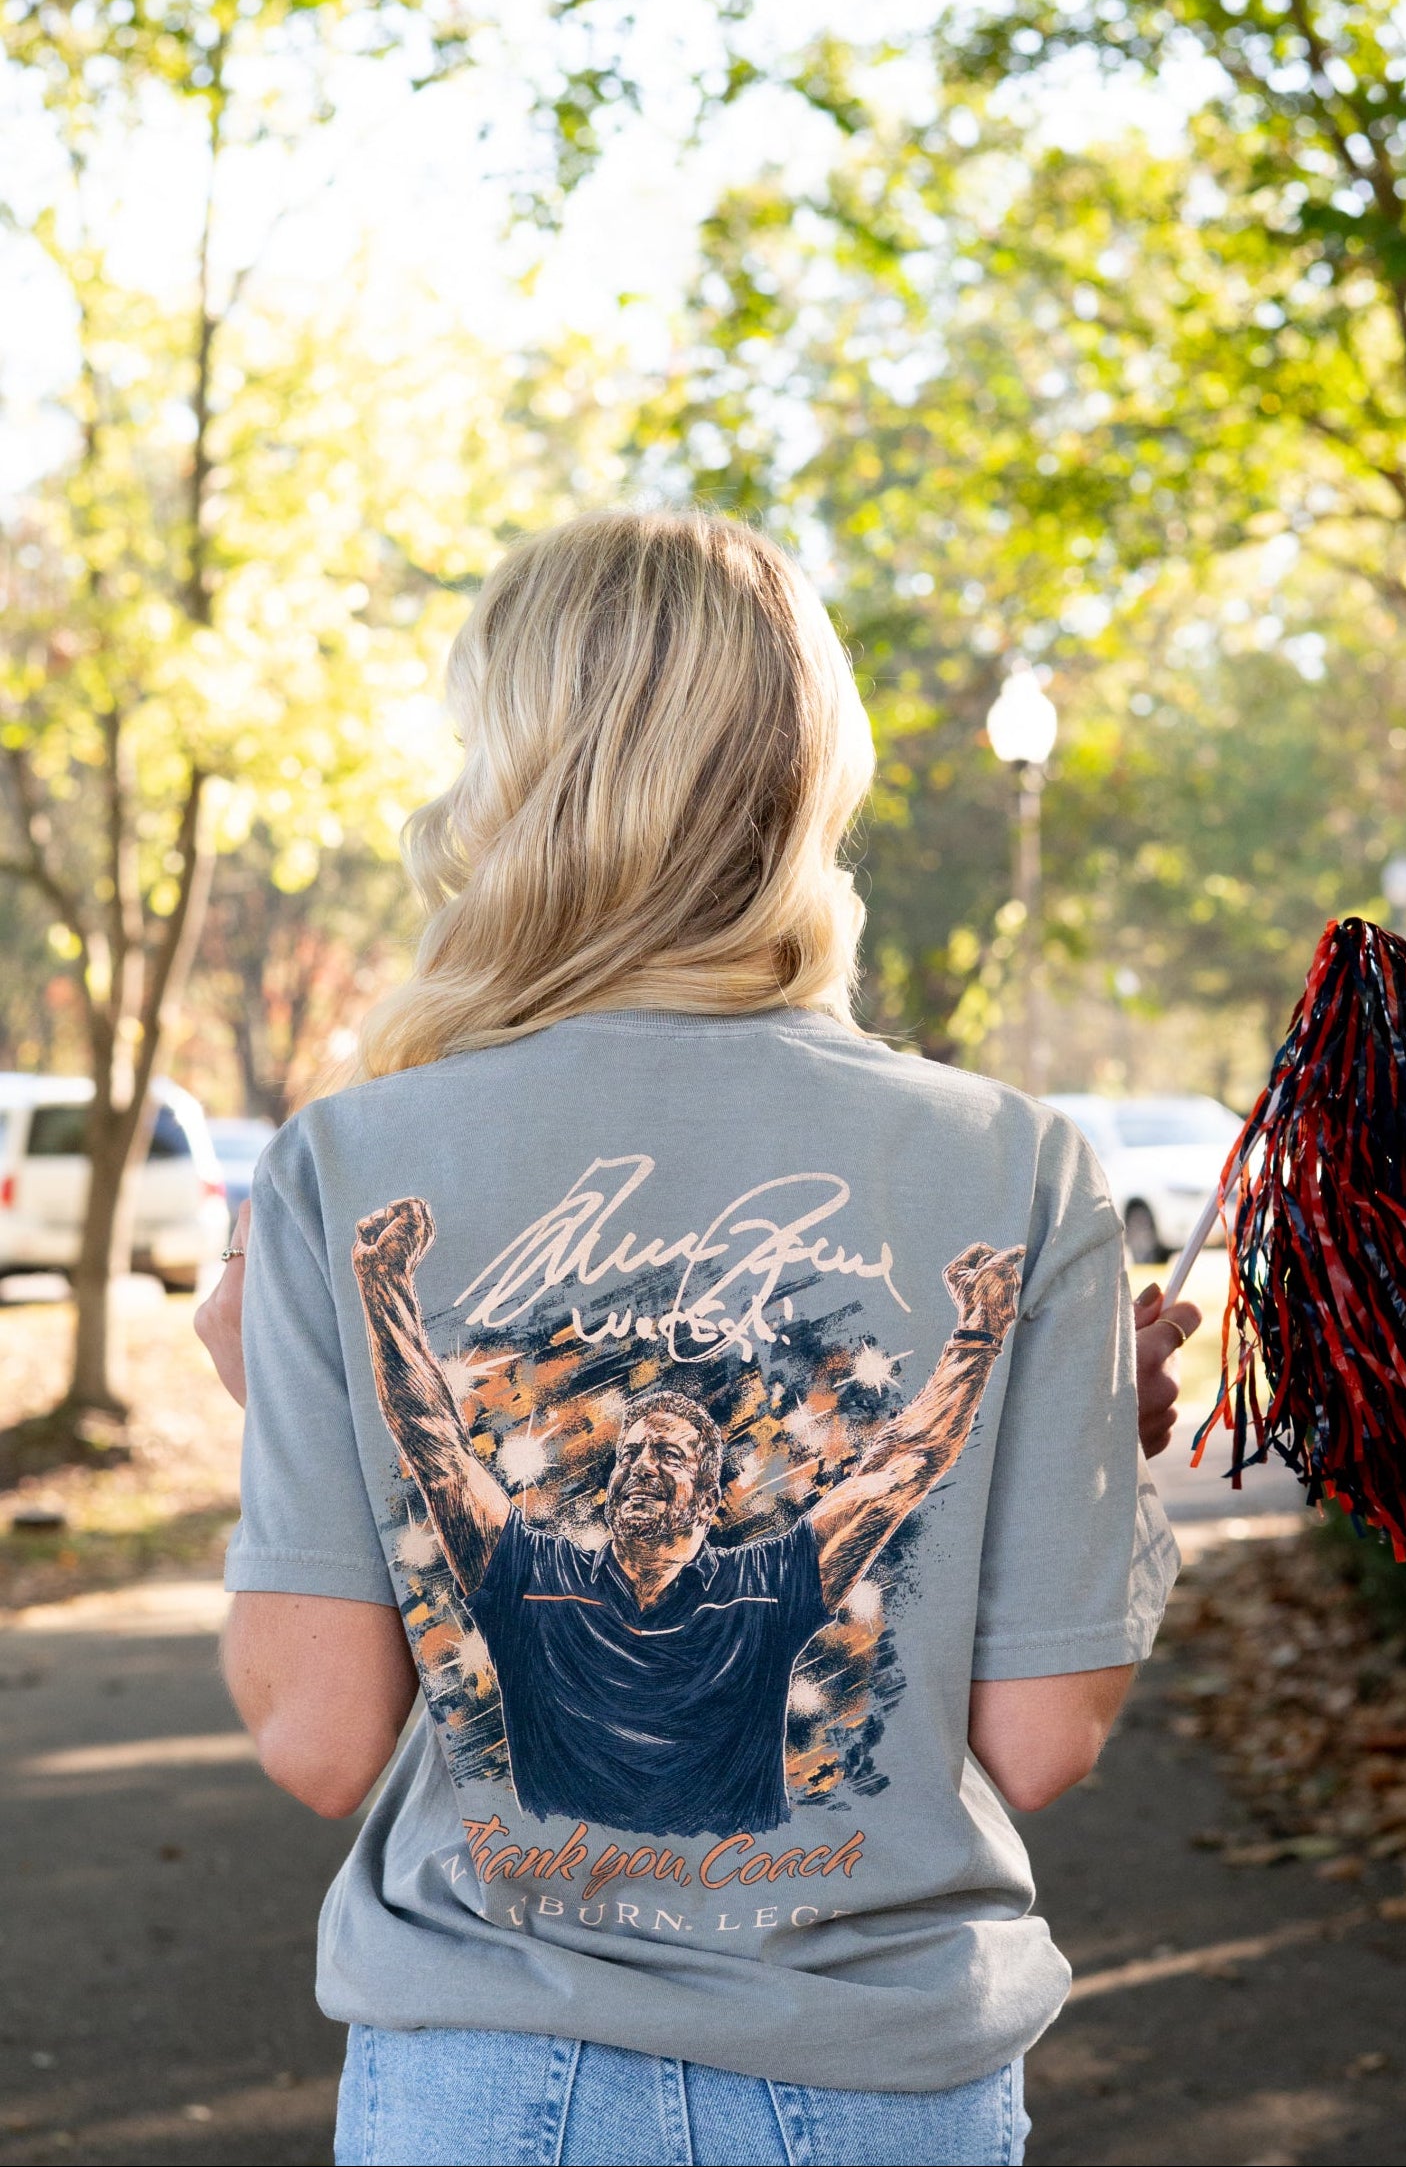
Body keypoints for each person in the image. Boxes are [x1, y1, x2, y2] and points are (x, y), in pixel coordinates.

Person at [196, 508, 1199, 2167]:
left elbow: (315, 1741)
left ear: (513, 773)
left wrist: (286, 1414)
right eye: (636, 1444)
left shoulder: (349, 1163)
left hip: (479, 2079)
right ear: (811, 778)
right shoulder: (1016, 1164)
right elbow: (1044, 1740)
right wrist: (1099, 1459)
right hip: (882, 2075)